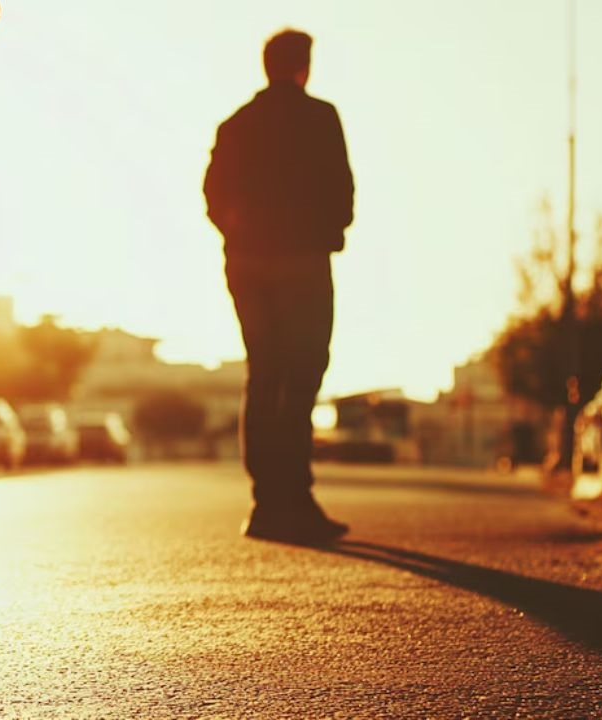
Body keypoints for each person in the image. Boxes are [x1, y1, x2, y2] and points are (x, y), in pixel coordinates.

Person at [203, 29, 354, 544]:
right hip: (302, 263)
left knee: (264, 373)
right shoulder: (320, 117)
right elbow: (342, 187)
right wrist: (327, 233)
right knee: (303, 374)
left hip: (248, 265)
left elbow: (212, 195)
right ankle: (297, 497)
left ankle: (267, 503)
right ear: (304, 68)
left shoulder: (236, 125)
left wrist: (239, 236)